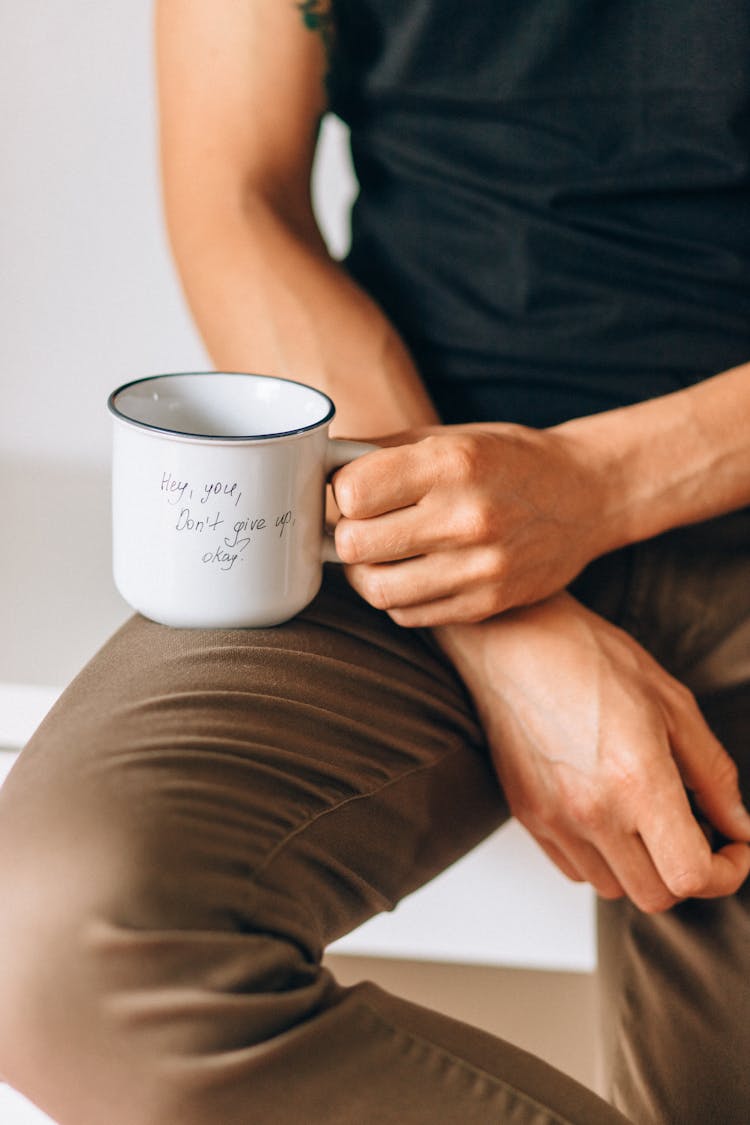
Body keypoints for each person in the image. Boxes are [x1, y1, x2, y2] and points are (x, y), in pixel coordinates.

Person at [1, 2, 749, 1122]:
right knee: (56, 944)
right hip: (392, 475)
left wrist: (592, 487)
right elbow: (238, 198)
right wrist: (495, 605)